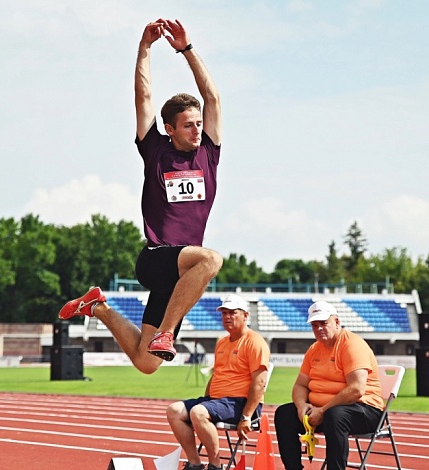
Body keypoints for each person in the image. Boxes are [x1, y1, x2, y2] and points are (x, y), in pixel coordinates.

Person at [57, 18, 223, 373]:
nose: (197, 130)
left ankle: (97, 307)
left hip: (179, 276)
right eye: (188, 124)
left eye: (199, 123)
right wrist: (145, 48)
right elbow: (143, 95)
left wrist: (187, 50)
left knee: (146, 363)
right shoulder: (155, 149)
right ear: (170, 129)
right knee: (210, 261)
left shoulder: (207, 152)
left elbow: (212, 96)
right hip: (157, 258)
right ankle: (166, 334)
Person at [274, 300, 384, 470]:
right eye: (314, 325)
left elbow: (356, 389)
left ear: (337, 322)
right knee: (284, 413)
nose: (319, 328)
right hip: (325, 409)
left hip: (365, 409)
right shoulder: (314, 349)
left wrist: (322, 410)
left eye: (324, 323)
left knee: (335, 416)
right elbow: (300, 385)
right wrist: (301, 405)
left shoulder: (352, 345)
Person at [166, 294, 271, 470]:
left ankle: (215, 466)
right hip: (218, 401)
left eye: (232, 312)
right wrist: (208, 398)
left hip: (241, 403)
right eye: (224, 313)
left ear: (245, 315)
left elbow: (259, 383)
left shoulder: (255, 342)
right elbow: (217, 375)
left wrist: (246, 416)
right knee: (174, 410)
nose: (227, 317)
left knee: (198, 412)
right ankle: (195, 464)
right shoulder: (222, 342)